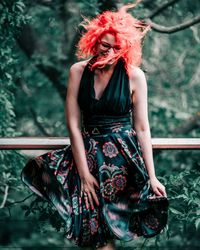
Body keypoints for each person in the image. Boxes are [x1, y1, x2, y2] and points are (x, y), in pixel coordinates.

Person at [21, 1, 169, 249]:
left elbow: (142, 128)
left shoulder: (135, 76)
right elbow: (72, 124)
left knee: (107, 229)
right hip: (87, 158)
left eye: (116, 47)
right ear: (95, 39)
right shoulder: (78, 71)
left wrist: (152, 176)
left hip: (122, 161)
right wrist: (84, 174)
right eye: (105, 44)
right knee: (93, 229)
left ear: (125, 48)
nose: (109, 51)